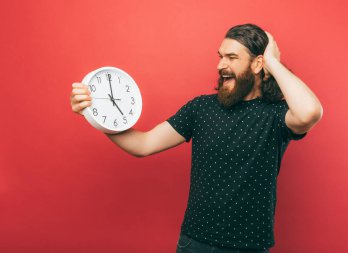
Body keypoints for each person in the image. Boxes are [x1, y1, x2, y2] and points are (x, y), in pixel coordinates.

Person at [70, 24, 323, 253]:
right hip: (194, 242)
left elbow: (310, 112)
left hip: (249, 247)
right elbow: (143, 145)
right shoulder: (201, 108)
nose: (221, 65)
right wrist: (95, 113)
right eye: (220, 56)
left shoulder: (276, 115)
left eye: (232, 57)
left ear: (257, 65)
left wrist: (272, 61)